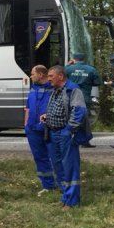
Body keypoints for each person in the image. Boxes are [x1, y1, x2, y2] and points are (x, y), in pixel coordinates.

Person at [41, 65, 89, 209]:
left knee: (69, 167)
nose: (48, 79)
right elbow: (60, 109)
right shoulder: (55, 90)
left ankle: (72, 201)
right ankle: (65, 197)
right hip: (52, 133)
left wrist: (69, 130)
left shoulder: (73, 89)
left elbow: (79, 111)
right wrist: (47, 116)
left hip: (65, 133)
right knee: (58, 167)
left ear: (60, 76)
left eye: (51, 76)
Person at [23, 66, 55, 194]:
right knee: (39, 158)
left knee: (55, 157)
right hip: (33, 129)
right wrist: (26, 125)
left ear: (41, 75)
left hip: (49, 128)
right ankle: (47, 185)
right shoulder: (33, 88)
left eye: (32, 74)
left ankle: (61, 184)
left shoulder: (53, 88)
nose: (31, 76)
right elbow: (28, 108)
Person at [65, 53, 100, 148]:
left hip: (70, 97)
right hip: (85, 97)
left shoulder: (68, 69)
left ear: (74, 59)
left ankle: (68, 140)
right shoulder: (91, 69)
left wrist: (68, 65)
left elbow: (60, 75)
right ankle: (85, 142)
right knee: (84, 120)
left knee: (70, 118)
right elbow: (97, 82)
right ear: (84, 59)